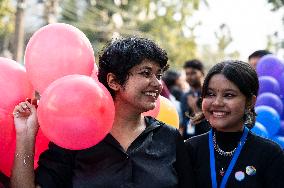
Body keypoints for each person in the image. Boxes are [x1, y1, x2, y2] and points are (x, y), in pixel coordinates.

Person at [11, 37, 195, 188]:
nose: (158, 84)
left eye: (159, 75)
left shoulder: (169, 137)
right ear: (114, 81)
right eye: (146, 73)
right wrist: (25, 135)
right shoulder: (76, 136)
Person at [185, 60, 284, 188]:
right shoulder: (189, 149)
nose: (217, 102)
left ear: (250, 102)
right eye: (210, 94)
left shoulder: (270, 154)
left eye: (229, 95)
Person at [180, 59, 210, 139]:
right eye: (187, 74)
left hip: (206, 138)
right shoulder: (184, 96)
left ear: (202, 73)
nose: (190, 77)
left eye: (193, 73)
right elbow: (183, 121)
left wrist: (195, 108)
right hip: (188, 140)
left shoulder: (209, 94)